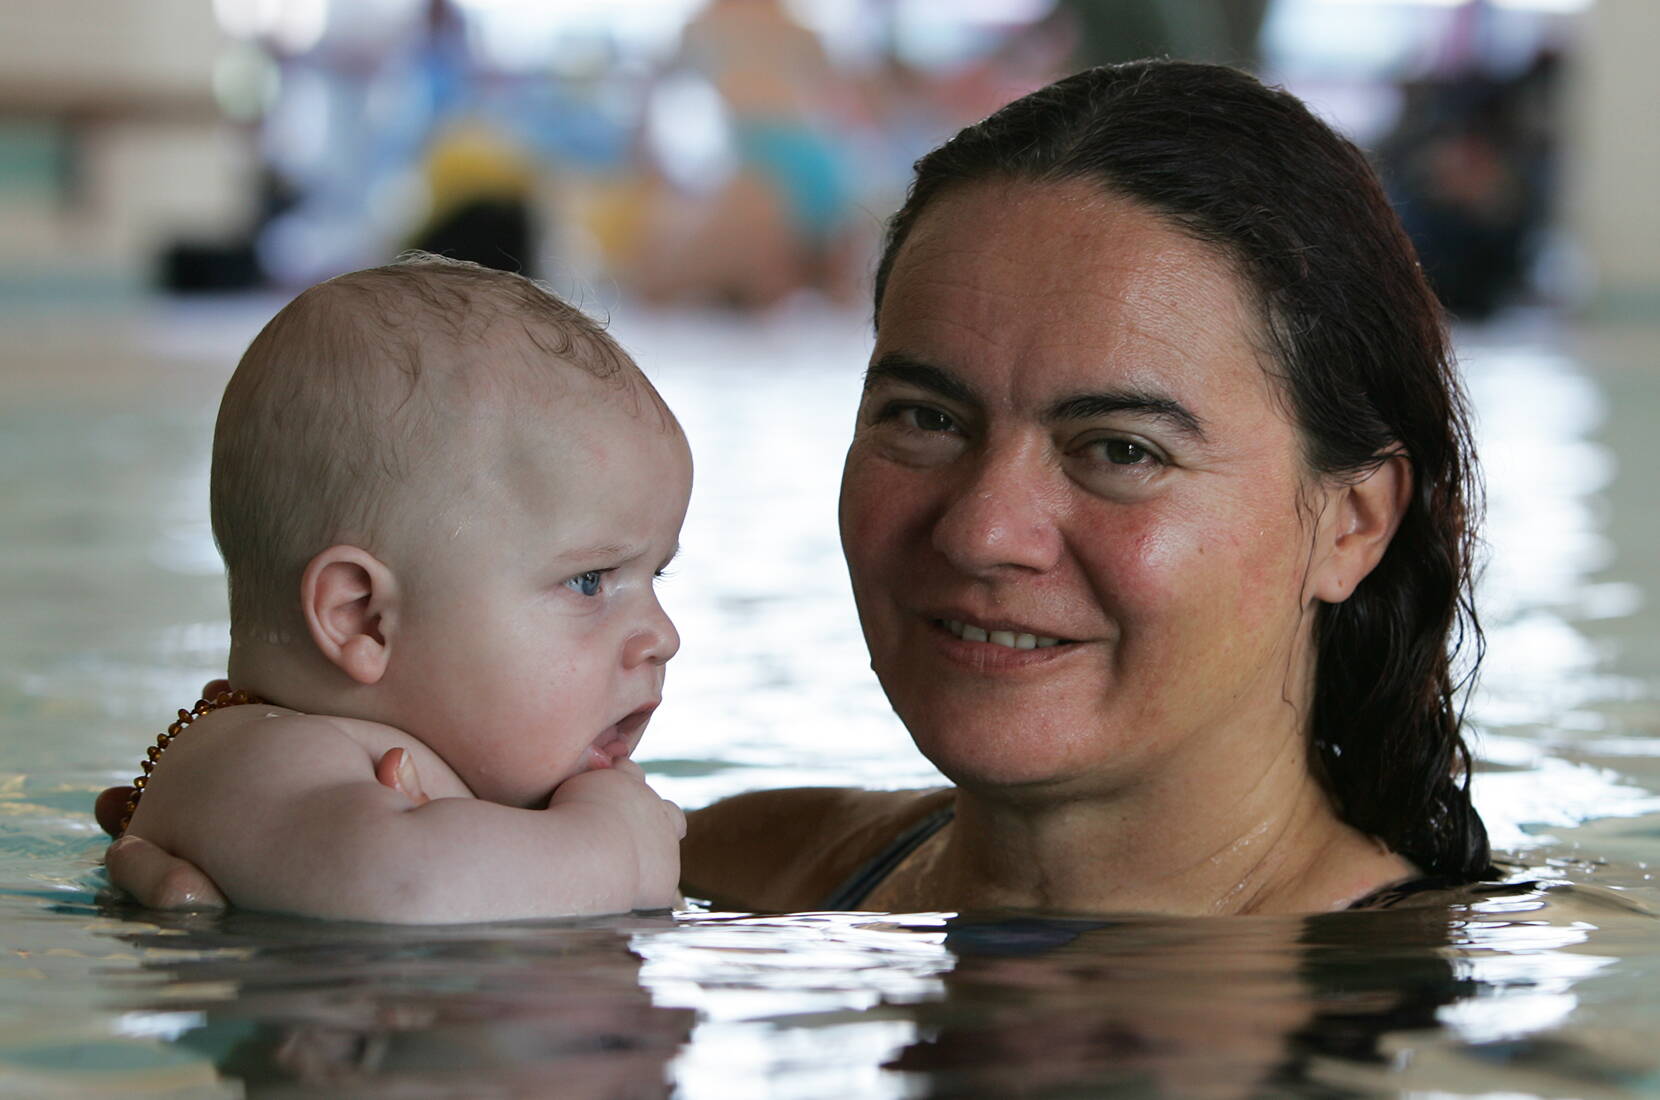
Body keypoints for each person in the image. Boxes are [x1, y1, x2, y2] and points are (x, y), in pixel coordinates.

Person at [101, 60, 1492, 918]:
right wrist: (217, 841)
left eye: (1118, 447)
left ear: (1351, 521)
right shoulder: (731, 873)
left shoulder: (1477, 1012)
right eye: (925, 416)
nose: (984, 528)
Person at [102, 254, 689, 922]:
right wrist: (618, 849)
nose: (663, 637)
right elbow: (410, 889)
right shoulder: (262, 760)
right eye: (589, 581)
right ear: (362, 618)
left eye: (657, 574)